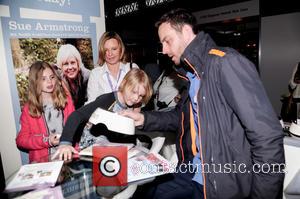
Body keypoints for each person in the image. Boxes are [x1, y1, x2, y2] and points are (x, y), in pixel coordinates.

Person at [121, 8, 285, 199]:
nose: (163, 50)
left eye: (167, 41)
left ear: (186, 32)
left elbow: (267, 137)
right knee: (149, 192)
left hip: (222, 181)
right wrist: (143, 118)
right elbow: (181, 118)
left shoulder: (226, 64)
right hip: (193, 171)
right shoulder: (192, 75)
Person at [53, 68, 152, 161]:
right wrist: (65, 143)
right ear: (124, 83)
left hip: (111, 147)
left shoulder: (133, 105)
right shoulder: (106, 100)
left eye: (140, 96)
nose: (136, 98)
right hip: (90, 149)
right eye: (134, 92)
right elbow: (77, 115)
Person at [16, 61, 75, 163]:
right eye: (43, 79)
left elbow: (74, 128)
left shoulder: (66, 101)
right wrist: (47, 140)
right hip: (43, 165)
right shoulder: (29, 109)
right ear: (35, 82)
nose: (49, 82)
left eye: (52, 77)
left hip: (68, 159)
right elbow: (21, 140)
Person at [86, 31, 139, 104]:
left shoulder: (132, 68)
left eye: (114, 49)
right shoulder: (95, 74)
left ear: (121, 49)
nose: (110, 54)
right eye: (106, 50)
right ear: (102, 52)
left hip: (129, 115)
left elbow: (140, 98)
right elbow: (91, 104)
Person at [56, 44, 90, 109]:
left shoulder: (88, 77)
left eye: (72, 62)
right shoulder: (59, 81)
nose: (70, 67)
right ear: (61, 66)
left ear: (78, 63)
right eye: (66, 64)